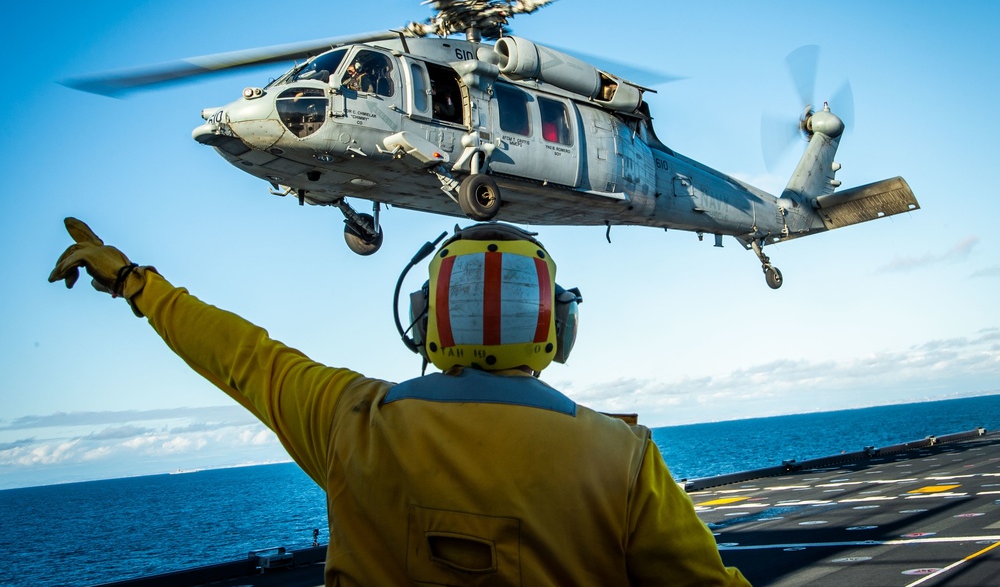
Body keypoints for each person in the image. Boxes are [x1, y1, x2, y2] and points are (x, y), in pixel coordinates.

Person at [49, 218, 750, 587]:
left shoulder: (350, 419)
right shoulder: (620, 459)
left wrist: (137, 284)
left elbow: (239, 356)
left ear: (425, 320)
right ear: (557, 327)